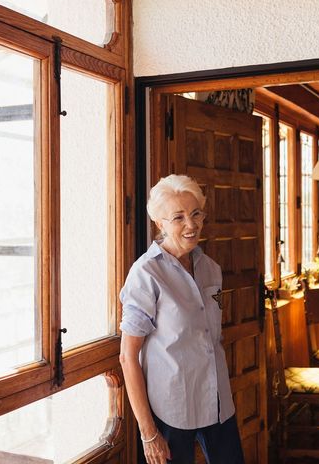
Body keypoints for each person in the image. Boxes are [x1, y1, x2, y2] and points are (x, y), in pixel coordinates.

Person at [119, 174, 245, 464]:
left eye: (196, 213)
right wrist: (148, 433)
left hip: (217, 403)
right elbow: (128, 356)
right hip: (172, 410)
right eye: (178, 217)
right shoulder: (146, 274)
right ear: (160, 223)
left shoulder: (211, 268)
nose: (191, 225)